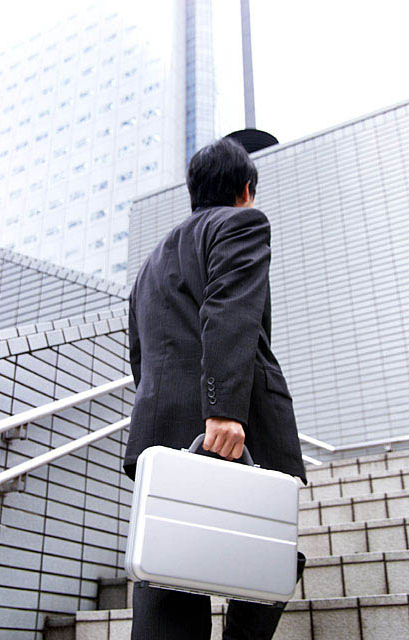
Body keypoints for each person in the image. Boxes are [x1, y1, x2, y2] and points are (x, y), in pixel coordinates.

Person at [123, 136, 307, 639]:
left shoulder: (149, 266)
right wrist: (223, 409)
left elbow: (140, 354)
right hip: (225, 425)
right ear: (245, 189)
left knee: (167, 568)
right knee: (267, 550)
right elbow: (230, 310)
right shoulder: (242, 223)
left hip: (161, 428)